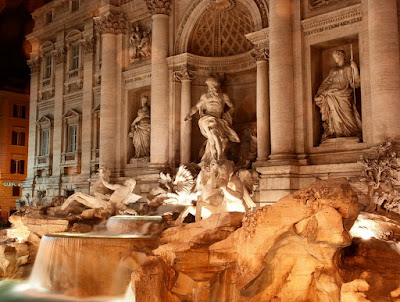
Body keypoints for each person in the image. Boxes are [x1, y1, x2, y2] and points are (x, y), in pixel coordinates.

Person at [185, 77, 240, 162]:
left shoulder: (223, 96)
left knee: (212, 137)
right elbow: (196, 107)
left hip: (219, 120)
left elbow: (232, 107)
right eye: (209, 86)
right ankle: (220, 155)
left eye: (213, 86)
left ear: (217, 86)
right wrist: (189, 114)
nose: (211, 88)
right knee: (214, 132)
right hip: (207, 118)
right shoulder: (205, 96)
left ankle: (214, 153)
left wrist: (227, 114)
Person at [314, 50, 362, 142]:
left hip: (344, 93)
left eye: (337, 57)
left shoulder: (349, 67)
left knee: (347, 112)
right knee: (333, 112)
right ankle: (336, 131)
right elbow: (328, 82)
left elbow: (355, 83)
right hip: (331, 93)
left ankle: (351, 132)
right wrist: (321, 92)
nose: (336, 59)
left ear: (342, 56)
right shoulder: (333, 70)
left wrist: (355, 68)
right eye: (334, 57)